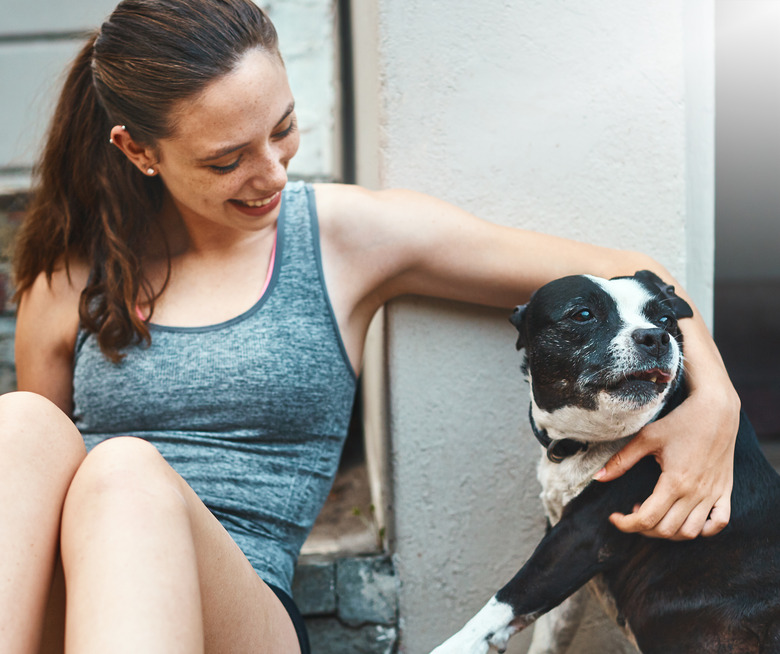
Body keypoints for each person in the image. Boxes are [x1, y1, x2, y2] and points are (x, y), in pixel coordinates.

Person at [7, 0, 739, 652]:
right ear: (138, 151)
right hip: (81, 605)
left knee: (126, 471)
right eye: (227, 160)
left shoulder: (342, 236)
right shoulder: (69, 279)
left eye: (284, 130)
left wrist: (717, 405)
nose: (271, 174)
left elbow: (636, 272)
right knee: (23, 426)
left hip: (237, 615)